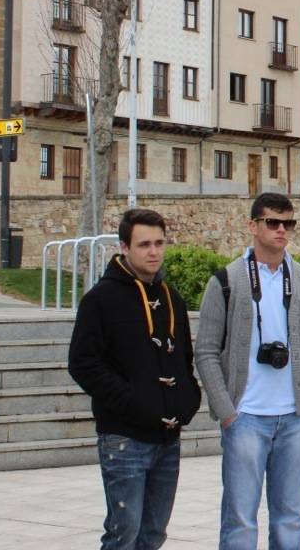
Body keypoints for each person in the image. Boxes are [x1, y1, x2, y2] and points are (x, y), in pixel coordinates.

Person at [195, 193, 300, 550]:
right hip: (246, 418)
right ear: (252, 226)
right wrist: (226, 412)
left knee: (290, 519)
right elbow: (206, 351)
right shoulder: (225, 281)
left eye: (288, 223)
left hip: (298, 418)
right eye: (273, 222)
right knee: (239, 520)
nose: (281, 230)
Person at [69, 208, 202, 550]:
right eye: (144, 244)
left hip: (168, 439)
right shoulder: (100, 300)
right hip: (123, 439)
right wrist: (133, 402)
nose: (153, 252)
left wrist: (187, 399)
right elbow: (83, 363)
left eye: (159, 243)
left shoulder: (172, 298)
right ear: (124, 247)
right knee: (123, 533)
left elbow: (184, 359)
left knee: (153, 534)